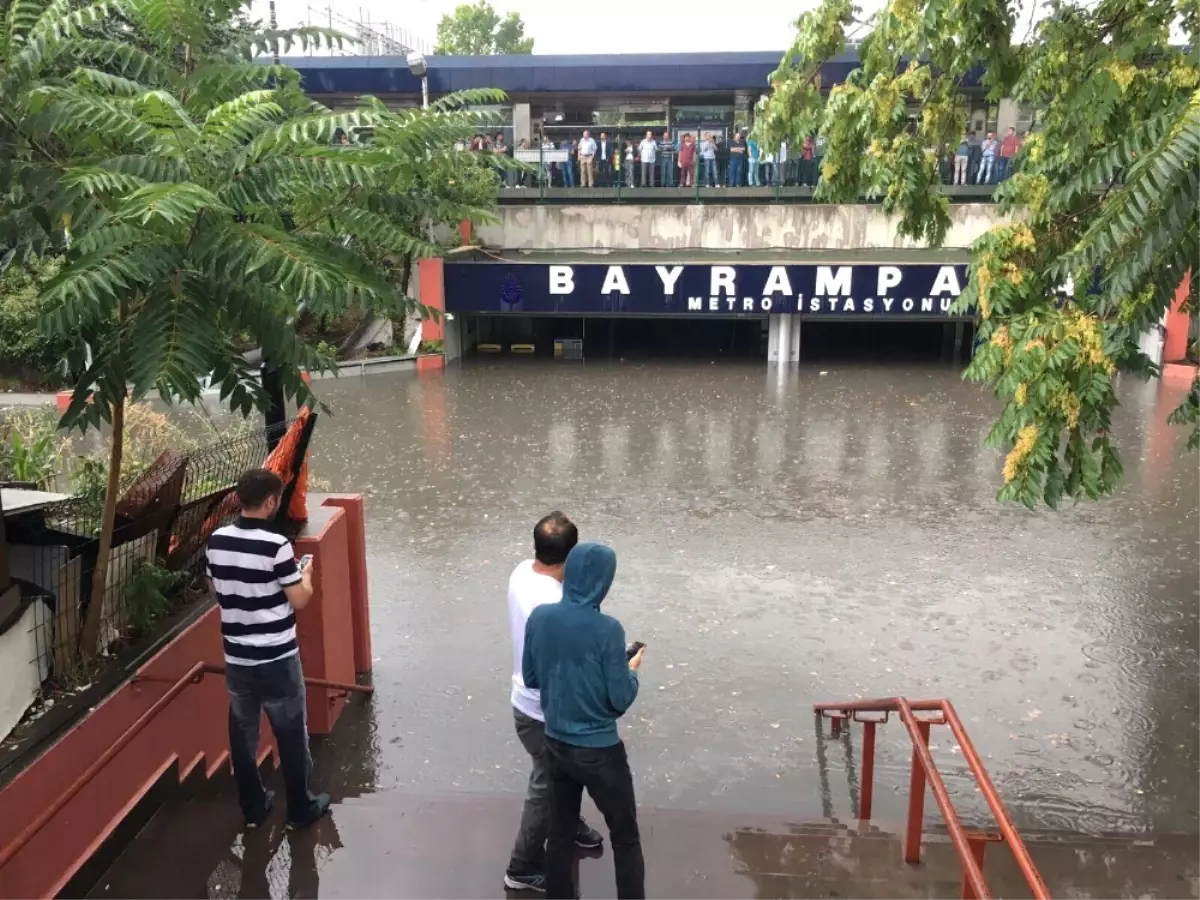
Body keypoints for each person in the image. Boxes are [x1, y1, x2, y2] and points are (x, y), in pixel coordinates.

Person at [206, 469, 329, 832]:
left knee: (243, 734)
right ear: (271, 502)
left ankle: (254, 809)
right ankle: (300, 809)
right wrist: (305, 574)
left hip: (237, 658)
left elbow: (217, 590)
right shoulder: (277, 546)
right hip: (277, 658)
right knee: (291, 734)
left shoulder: (216, 540)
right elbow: (299, 599)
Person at [523, 542, 646, 900]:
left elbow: (532, 677)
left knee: (559, 835)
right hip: (600, 753)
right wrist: (632, 671)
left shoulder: (540, 617)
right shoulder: (608, 629)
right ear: (603, 581)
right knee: (625, 838)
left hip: (555, 744)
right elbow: (619, 698)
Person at [504, 513, 604, 892]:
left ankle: (569, 823)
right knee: (545, 787)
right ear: (572, 557)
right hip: (547, 711)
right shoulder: (558, 606)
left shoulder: (520, 573)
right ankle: (522, 868)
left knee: (564, 775)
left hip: (525, 702)